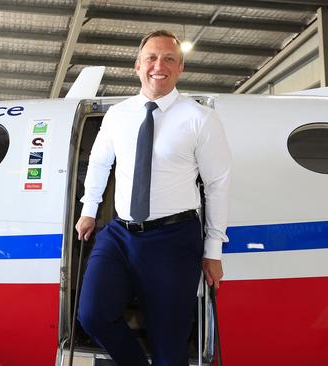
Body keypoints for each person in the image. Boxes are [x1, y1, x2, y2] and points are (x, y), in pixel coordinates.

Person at [75, 30, 231, 366]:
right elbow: (101, 162)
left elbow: (218, 183)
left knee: (169, 346)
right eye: (152, 58)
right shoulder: (118, 115)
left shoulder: (199, 119)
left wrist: (213, 249)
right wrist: (89, 210)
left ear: (180, 69)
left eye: (169, 59)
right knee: (93, 315)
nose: (159, 65)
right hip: (119, 233)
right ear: (137, 65)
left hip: (174, 239)